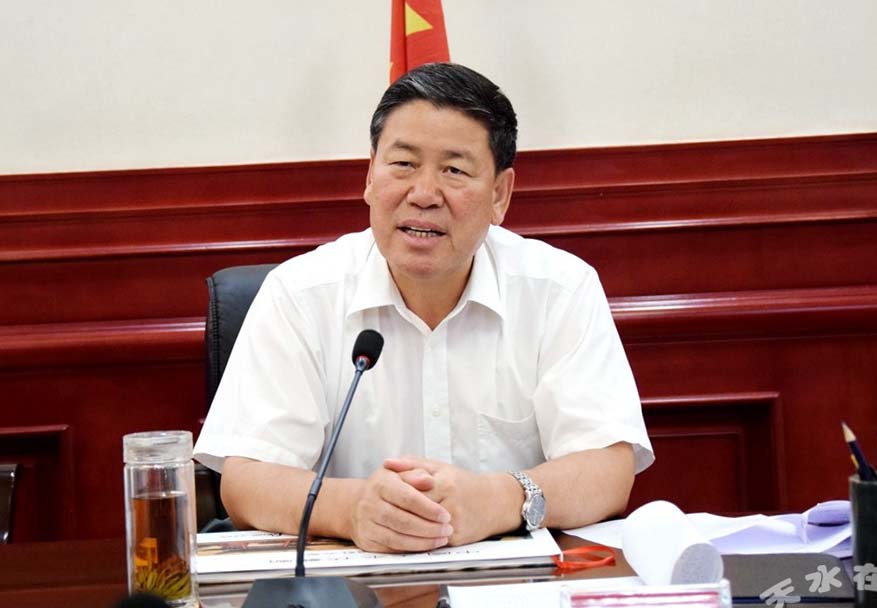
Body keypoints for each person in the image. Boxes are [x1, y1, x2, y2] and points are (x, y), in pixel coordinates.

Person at [194, 62, 653, 553]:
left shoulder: (560, 289)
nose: (424, 194)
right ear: (370, 177)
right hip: (351, 583)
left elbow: (608, 470)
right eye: (403, 164)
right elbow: (246, 480)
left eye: (454, 170)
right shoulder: (300, 294)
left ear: (499, 195)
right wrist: (353, 509)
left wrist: (497, 500)